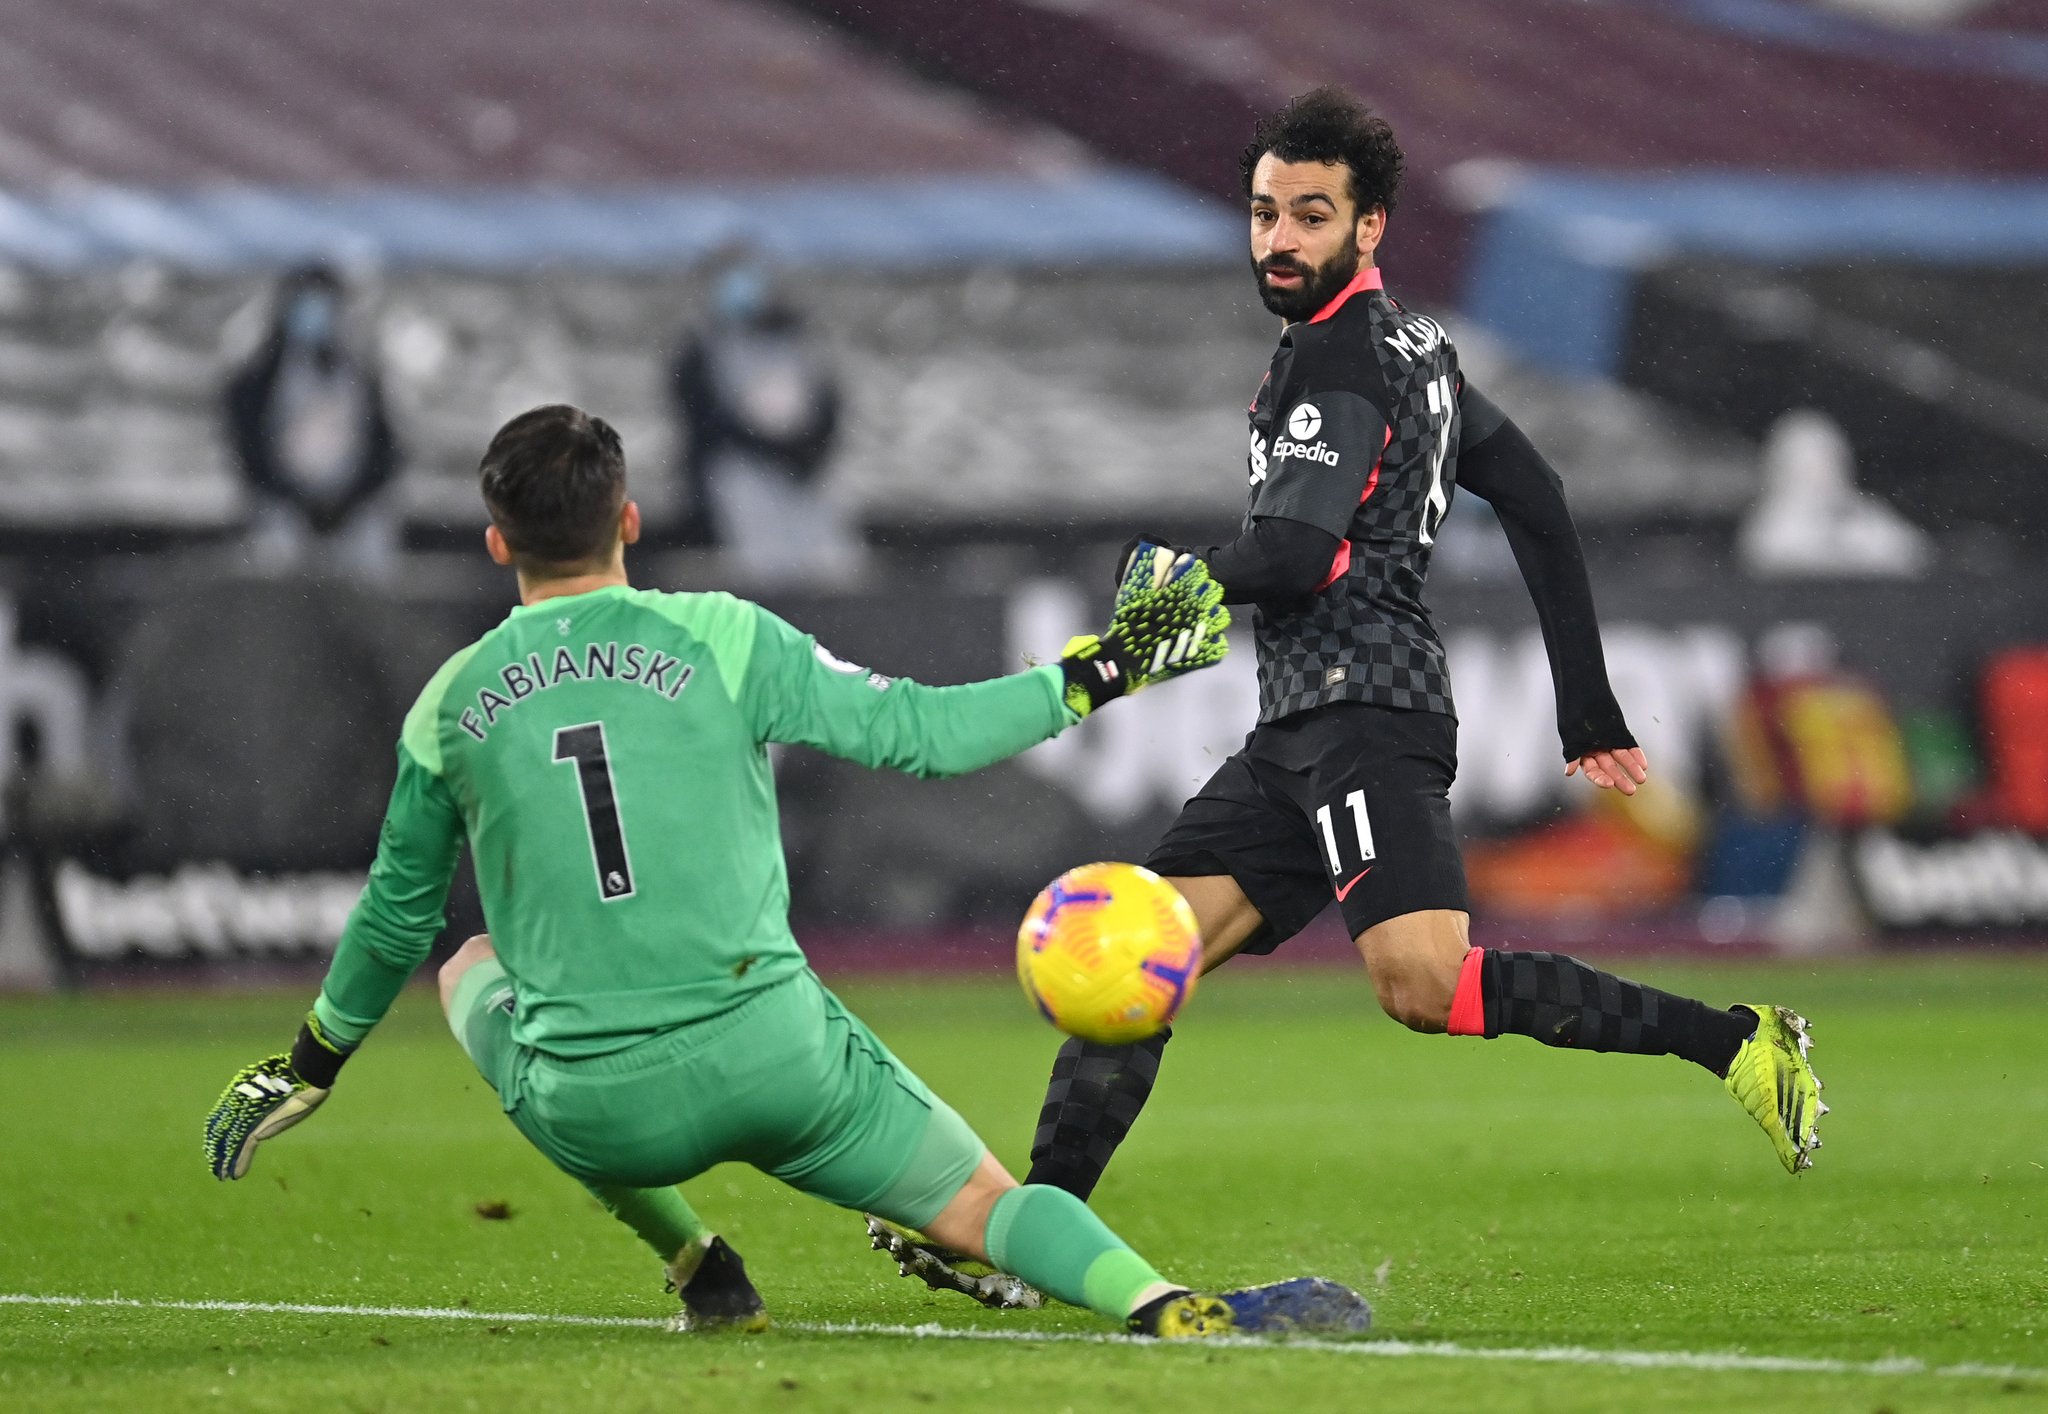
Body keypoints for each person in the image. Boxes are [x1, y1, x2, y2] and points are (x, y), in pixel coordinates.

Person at [873, 88, 1826, 1310]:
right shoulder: (1412, 351)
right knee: (1134, 959)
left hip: (1367, 713)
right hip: (1296, 728)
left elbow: (1295, 555)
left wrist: (1171, 585)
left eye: (1308, 216)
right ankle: (1033, 1252)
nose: (1277, 237)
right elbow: (1531, 491)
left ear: (1368, 227)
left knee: (1420, 986)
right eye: (1263, 211)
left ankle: (1738, 1041)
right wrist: (1584, 702)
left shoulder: (1339, 355)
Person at [201, 404, 1369, 1339]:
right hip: (776, 1060)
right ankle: (1156, 1303)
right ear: (632, 518)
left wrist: (309, 1066)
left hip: (603, 1114)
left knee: (468, 966)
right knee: (982, 1206)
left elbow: (394, 915)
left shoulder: (448, 703)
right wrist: (1101, 668)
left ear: (497, 540)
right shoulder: (722, 636)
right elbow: (927, 733)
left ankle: (695, 1259)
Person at [670, 263, 862, 583]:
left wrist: (808, 450)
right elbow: (705, 416)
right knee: (762, 561)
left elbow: (829, 402)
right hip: (744, 465)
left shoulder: (800, 342)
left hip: (805, 467)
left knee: (827, 560)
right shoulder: (705, 347)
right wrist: (765, 449)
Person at [224, 265, 403, 576]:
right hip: (282, 512)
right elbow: (248, 447)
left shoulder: (359, 373)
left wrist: (348, 502)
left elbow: (384, 446)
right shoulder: (259, 377)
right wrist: (290, 499)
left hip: (353, 515)